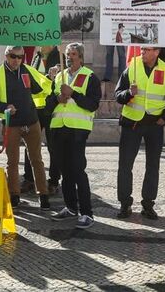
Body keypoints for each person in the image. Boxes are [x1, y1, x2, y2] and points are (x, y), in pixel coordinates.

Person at [114, 45, 165, 219]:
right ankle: (124, 204)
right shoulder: (132, 66)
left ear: (156, 52)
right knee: (125, 165)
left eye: (147, 50)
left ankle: (148, 204)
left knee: (153, 166)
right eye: (142, 49)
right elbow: (118, 95)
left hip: (154, 125)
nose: (142, 52)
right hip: (132, 124)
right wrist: (129, 92)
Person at [0, 46, 52, 209]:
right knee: (13, 162)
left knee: (37, 160)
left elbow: (38, 89)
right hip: (11, 124)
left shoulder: (27, 70)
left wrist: (50, 77)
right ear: (6, 55)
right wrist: (4, 107)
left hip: (31, 121)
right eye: (13, 56)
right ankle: (14, 195)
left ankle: (43, 195)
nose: (16, 60)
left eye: (19, 57)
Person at [49, 42, 101, 229]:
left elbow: (93, 104)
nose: (69, 57)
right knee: (65, 172)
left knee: (78, 171)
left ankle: (87, 213)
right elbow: (50, 101)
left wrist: (74, 94)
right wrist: (57, 98)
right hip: (59, 127)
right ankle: (70, 207)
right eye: (67, 54)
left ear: (80, 56)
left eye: (72, 54)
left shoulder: (90, 77)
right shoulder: (60, 76)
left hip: (78, 130)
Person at [24, 45, 61, 193]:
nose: (42, 44)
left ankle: (53, 180)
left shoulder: (60, 58)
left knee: (54, 147)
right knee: (30, 144)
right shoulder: (36, 57)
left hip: (51, 108)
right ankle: (28, 179)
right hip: (35, 109)